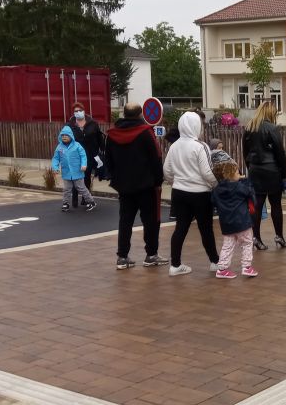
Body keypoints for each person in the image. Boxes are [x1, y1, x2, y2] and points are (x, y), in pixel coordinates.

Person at [104, 103, 167, 270]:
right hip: (146, 185)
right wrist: (158, 181)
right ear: (140, 114)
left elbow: (108, 160)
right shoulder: (146, 132)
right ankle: (151, 255)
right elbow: (156, 158)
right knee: (150, 221)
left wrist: (116, 178)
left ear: (124, 114)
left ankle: (122, 256)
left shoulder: (112, 134)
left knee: (125, 221)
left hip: (124, 186)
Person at [163, 110, 219, 275]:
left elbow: (167, 171)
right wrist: (216, 185)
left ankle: (175, 265)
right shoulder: (200, 146)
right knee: (206, 229)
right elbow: (207, 172)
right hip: (201, 193)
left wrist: (176, 182)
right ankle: (215, 262)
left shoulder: (174, 146)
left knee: (180, 228)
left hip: (179, 192)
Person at [242, 102, 286, 249]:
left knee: (257, 205)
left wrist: (250, 167)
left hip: (255, 169)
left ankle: (256, 237)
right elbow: (280, 152)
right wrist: (283, 173)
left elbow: (245, 151)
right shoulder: (272, 128)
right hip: (272, 169)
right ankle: (279, 236)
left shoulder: (249, 127)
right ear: (270, 113)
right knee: (276, 205)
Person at [211, 161, 258, 279]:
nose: (239, 174)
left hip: (226, 223)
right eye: (237, 172)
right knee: (247, 242)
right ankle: (247, 267)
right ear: (232, 174)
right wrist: (245, 181)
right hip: (242, 221)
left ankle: (222, 268)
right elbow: (251, 194)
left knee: (228, 245)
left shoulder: (217, 189)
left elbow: (213, 202)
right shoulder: (240, 187)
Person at [67, 102, 105, 207]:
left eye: (80, 110)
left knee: (87, 176)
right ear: (73, 113)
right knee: (75, 176)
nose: (78, 112)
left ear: (84, 111)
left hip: (89, 154)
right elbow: (64, 139)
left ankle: (85, 198)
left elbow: (99, 137)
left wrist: (102, 150)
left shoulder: (93, 123)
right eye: (76, 111)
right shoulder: (70, 125)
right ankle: (74, 198)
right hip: (75, 155)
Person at [52, 126, 97, 213]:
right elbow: (56, 158)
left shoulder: (77, 145)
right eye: (62, 135)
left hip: (78, 171)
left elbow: (83, 156)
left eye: (66, 135)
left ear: (71, 136)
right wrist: (55, 167)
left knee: (81, 188)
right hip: (66, 173)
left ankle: (91, 201)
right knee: (67, 189)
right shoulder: (59, 147)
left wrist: (84, 165)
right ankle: (65, 203)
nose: (64, 137)